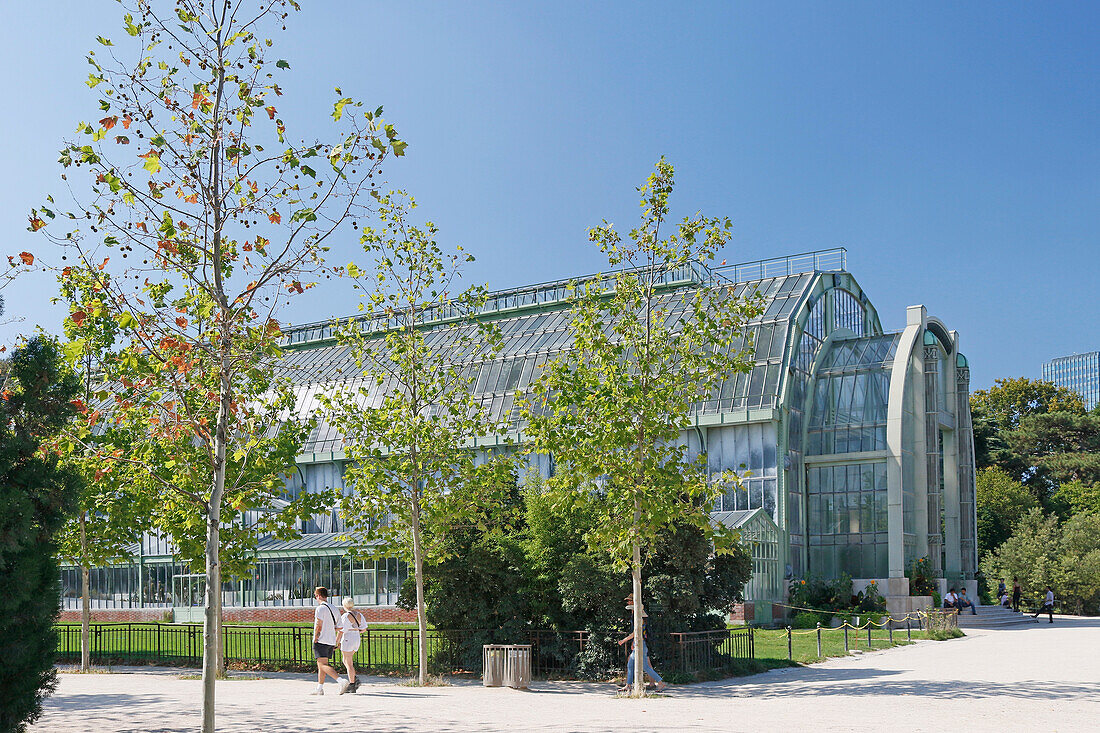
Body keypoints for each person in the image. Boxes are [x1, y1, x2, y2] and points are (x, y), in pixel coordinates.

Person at [617, 608, 666, 693]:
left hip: (640, 645)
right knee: (630, 665)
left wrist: (623, 640)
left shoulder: (639, 622)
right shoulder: (642, 621)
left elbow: (634, 634)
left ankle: (660, 682)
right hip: (638, 645)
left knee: (645, 667)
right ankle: (628, 685)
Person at [311, 586, 349, 695]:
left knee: (322, 665)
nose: (315, 598)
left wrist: (316, 637)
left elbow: (319, 624)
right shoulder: (334, 608)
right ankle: (319, 688)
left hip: (321, 640)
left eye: (315, 596)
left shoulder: (320, 608)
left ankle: (340, 681)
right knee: (322, 665)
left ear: (318, 595)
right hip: (330, 640)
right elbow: (339, 627)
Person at [335, 597, 368, 694]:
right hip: (356, 637)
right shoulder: (359, 615)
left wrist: (336, 642)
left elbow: (341, 630)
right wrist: (356, 630)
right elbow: (364, 629)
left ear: (344, 605)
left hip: (348, 637)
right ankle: (353, 677)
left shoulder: (345, 616)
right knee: (345, 660)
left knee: (348, 663)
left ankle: (353, 684)